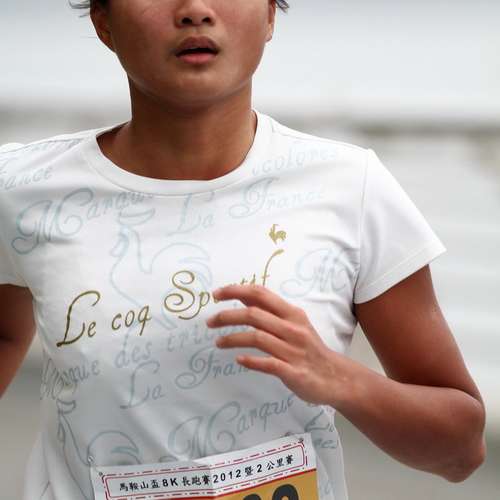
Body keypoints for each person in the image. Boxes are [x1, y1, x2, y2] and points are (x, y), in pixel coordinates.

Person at [0, 1, 487, 499]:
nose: (194, 9)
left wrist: (340, 379)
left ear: (271, 15)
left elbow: (461, 448)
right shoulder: (23, 188)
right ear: (103, 22)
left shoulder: (349, 188)